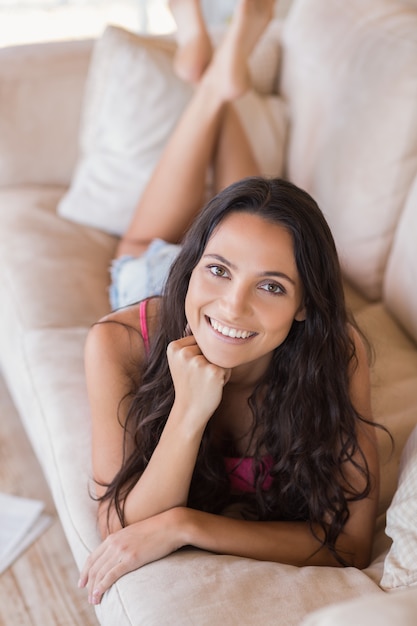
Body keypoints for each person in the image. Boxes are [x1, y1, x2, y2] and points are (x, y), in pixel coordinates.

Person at [78, 0, 380, 607]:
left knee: (258, 210)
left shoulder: (336, 352)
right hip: (151, 278)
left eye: (274, 286)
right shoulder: (116, 341)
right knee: (239, 215)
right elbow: (118, 528)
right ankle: (214, 70)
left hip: (207, 284)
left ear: (303, 306)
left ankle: (214, 68)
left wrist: (187, 524)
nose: (235, 306)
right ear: (193, 270)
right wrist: (190, 410)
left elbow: (350, 544)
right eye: (215, 270)